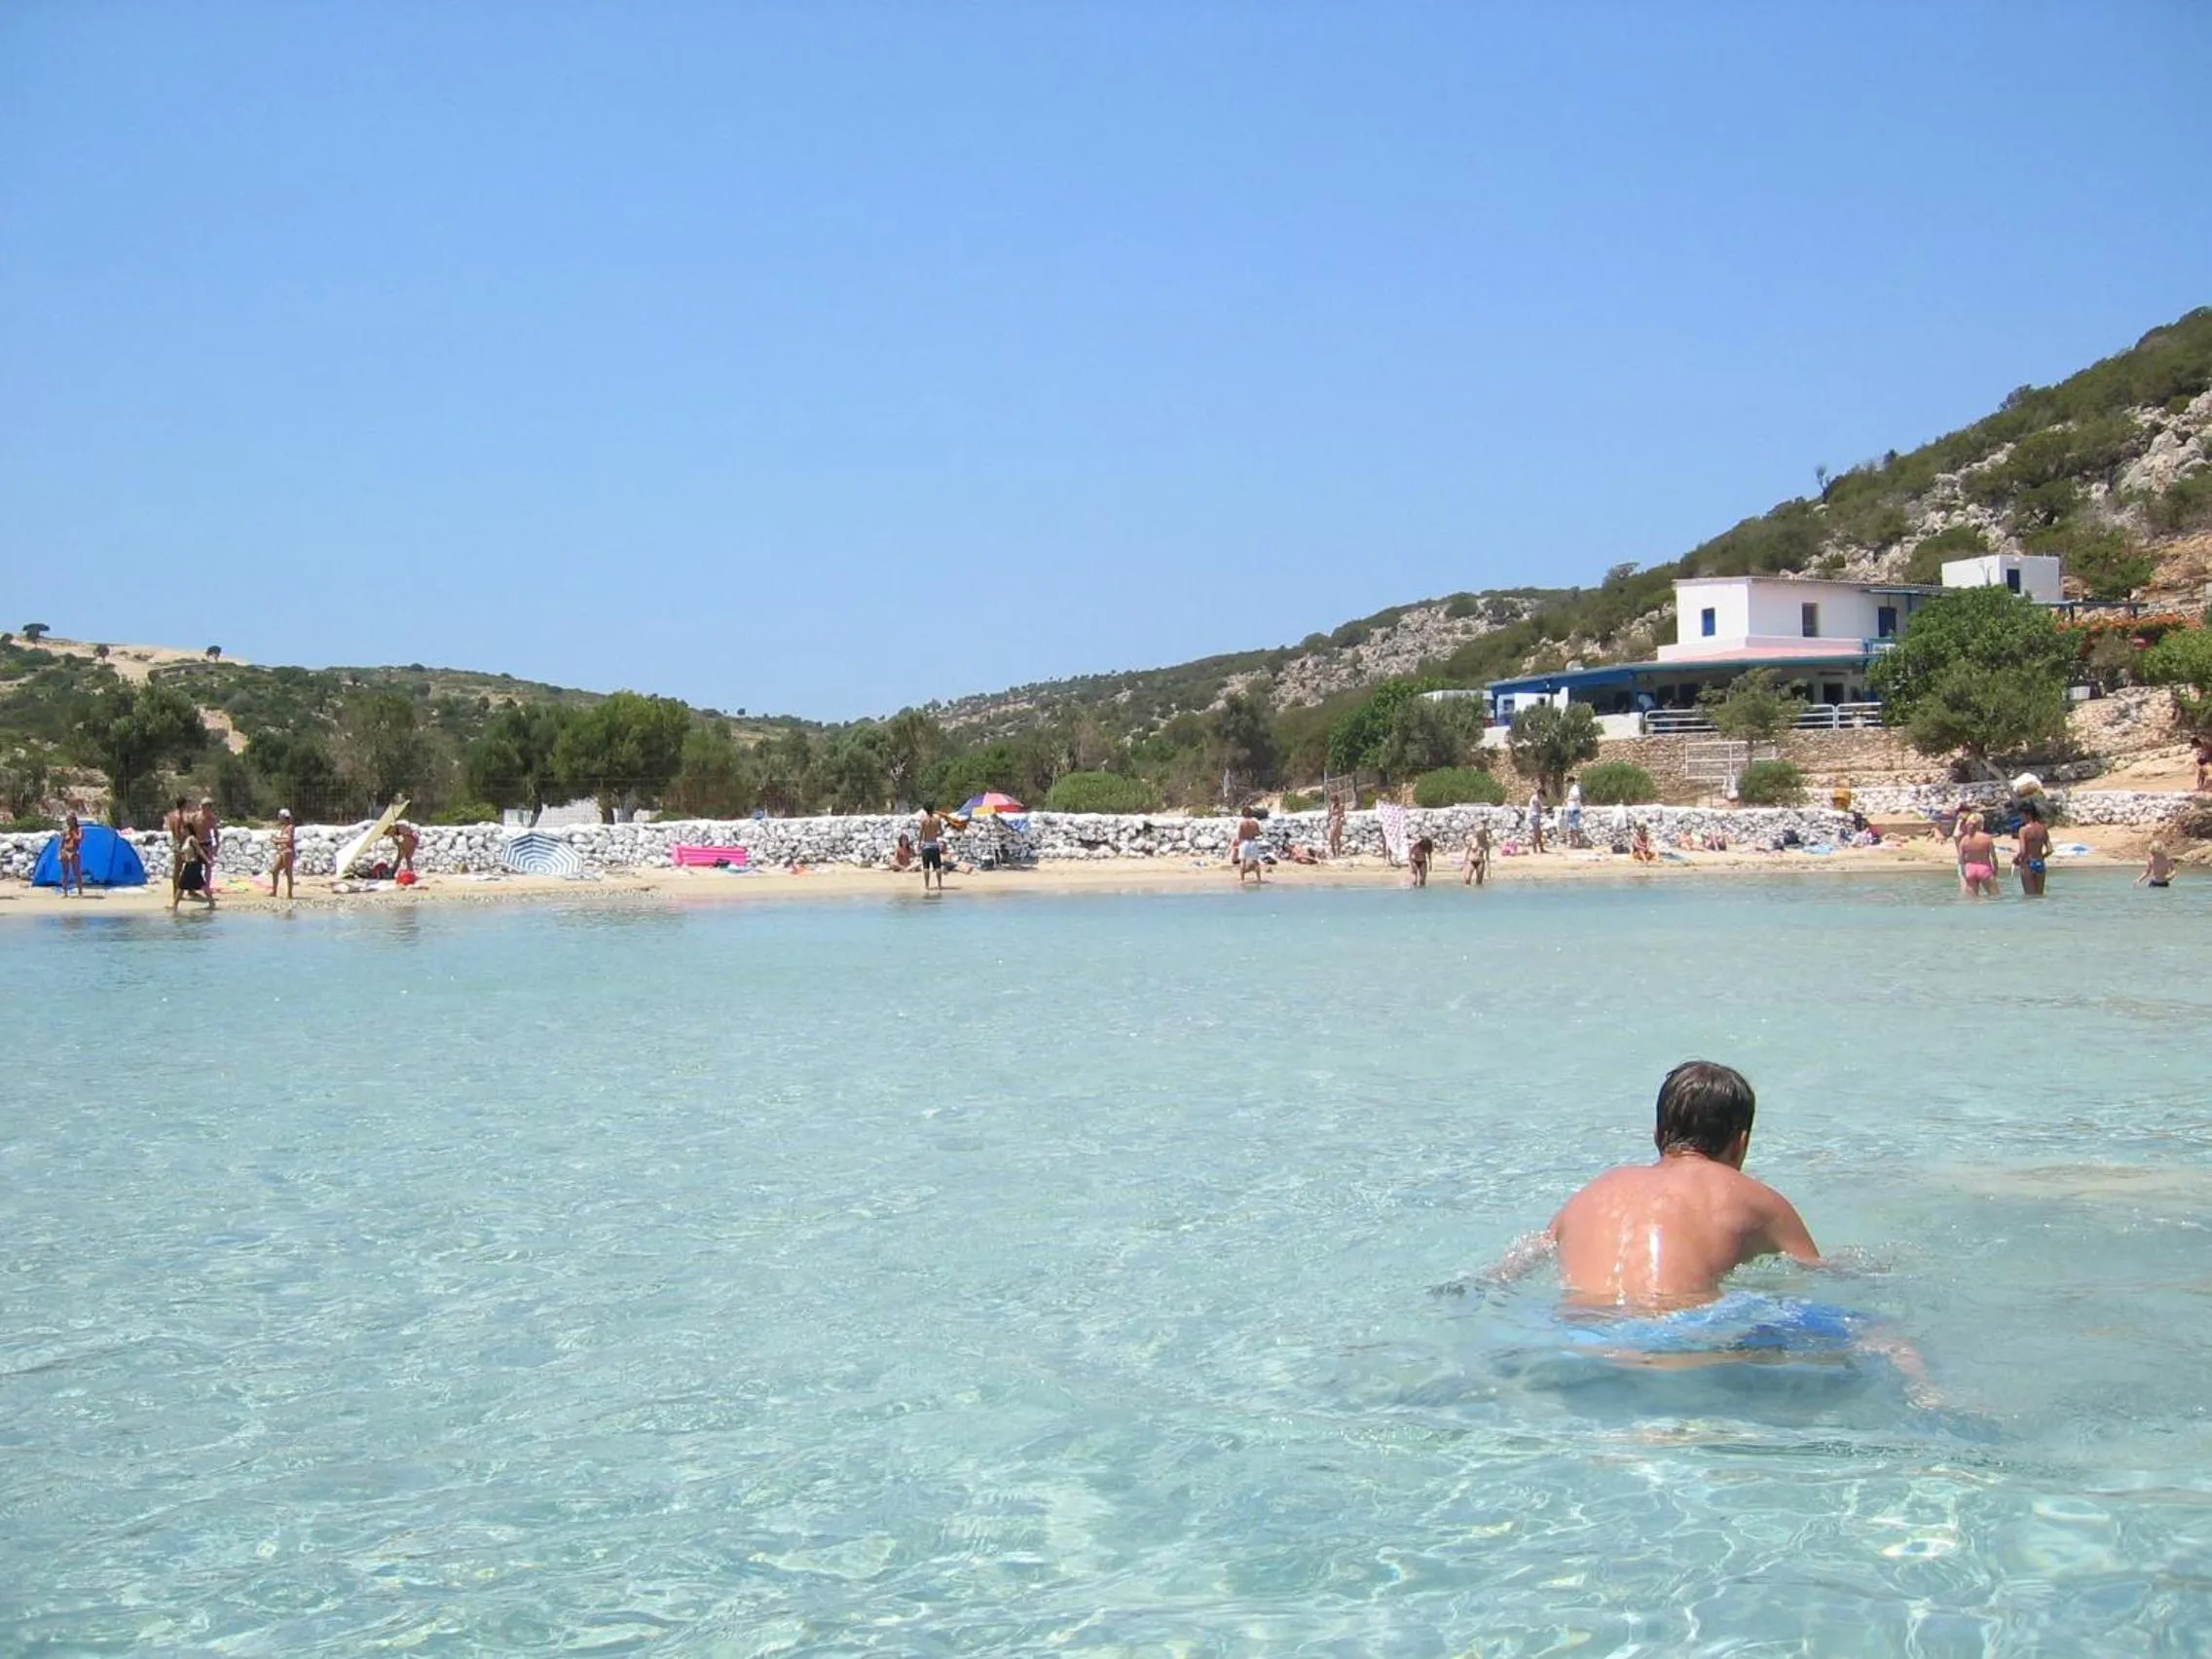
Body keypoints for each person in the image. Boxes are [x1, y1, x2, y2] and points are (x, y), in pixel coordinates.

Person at [2013, 800, 2051, 899]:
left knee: (2029, 897)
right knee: (2040, 895)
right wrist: (2041, 857)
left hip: (2028, 863)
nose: (2020, 817)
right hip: (2039, 862)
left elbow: (2022, 851)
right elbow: (2050, 849)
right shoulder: (2043, 828)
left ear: (2028, 815)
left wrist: (2016, 859)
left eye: (2021, 815)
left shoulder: (2023, 830)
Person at [1956, 812, 1998, 899]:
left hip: (1970, 869)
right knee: (1995, 897)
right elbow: (1993, 857)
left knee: (1972, 901)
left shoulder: (1964, 840)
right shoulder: (1986, 838)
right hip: (1984, 868)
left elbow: (1960, 859)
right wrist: (1995, 870)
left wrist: (1964, 873)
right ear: (1981, 824)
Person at [171, 823, 212, 910]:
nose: (181, 831)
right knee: (202, 885)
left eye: (183, 829)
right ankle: (212, 903)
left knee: (181, 885)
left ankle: (174, 906)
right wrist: (179, 852)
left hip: (193, 865)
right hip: (189, 864)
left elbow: (200, 851)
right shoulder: (186, 840)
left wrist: (207, 860)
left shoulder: (192, 839)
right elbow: (186, 853)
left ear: (187, 829)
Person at [915, 803, 948, 893]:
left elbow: (921, 834)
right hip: (934, 845)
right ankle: (939, 885)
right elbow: (941, 832)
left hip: (926, 846)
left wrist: (919, 844)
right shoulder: (937, 820)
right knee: (937, 866)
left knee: (926, 866)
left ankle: (927, 885)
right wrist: (936, 834)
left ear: (925, 810)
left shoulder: (923, 820)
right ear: (933, 809)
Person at [197, 798, 222, 903]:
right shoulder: (195, 816)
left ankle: (207, 885)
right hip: (197, 843)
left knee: (208, 866)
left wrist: (217, 844)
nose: (205, 807)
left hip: (207, 843)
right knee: (196, 866)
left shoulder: (212, 818)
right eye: (203, 805)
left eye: (207, 805)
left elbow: (215, 832)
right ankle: (195, 887)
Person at [269, 807, 297, 898]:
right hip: (282, 851)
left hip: (288, 851)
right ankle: (274, 891)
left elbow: (289, 840)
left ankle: (289, 894)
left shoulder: (290, 827)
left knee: (288, 872)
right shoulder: (284, 827)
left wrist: (277, 841)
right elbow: (285, 838)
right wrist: (276, 839)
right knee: (274, 871)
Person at [1235, 807, 1265, 885]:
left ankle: (1242, 879)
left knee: (1243, 861)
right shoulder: (1255, 822)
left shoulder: (1241, 822)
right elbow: (1258, 833)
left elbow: (1239, 833)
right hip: (1253, 842)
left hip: (1244, 842)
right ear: (1251, 813)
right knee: (1255, 861)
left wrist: (1238, 842)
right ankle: (1259, 879)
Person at [57, 811, 84, 897]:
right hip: (65, 851)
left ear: (74, 820)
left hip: (74, 852)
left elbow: (79, 839)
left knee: (77, 873)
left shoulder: (79, 829)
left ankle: (80, 892)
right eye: (67, 820)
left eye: (69, 820)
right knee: (65, 873)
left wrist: (73, 832)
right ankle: (65, 893)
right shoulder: (66, 831)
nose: (68, 822)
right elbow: (61, 843)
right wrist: (59, 854)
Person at [1462, 822, 1492, 887]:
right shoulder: (1473, 840)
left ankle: (1479, 895)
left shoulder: (1486, 844)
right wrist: (1465, 864)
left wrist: (1489, 871)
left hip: (1480, 862)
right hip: (1471, 861)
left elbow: (1487, 857)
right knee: (1467, 879)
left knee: (1479, 882)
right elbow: (1467, 852)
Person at [1525, 787, 1546, 855]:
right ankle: (1535, 849)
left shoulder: (1536, 798)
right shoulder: (1535, 798)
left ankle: (1541, 848)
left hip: (1536, 816)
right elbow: (1539, 807)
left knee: (1539, 833)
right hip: (1534, 817)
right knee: (1536, 833)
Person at [1564, 776, 1584, 847]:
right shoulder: (1573, 788)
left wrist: (1569, 799)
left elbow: (1577, 796)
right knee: (1572, 827)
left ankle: (1578, 842)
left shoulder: (1574, 788)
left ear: (1571, 782)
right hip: (1572, 809)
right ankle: (1574, 842)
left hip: (1574, 809)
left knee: (1574, 826)